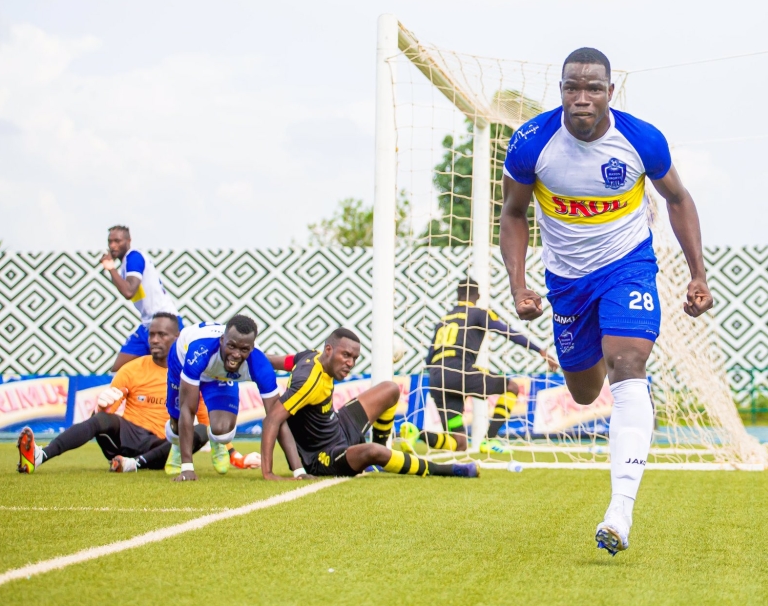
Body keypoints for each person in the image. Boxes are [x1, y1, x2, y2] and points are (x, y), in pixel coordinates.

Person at [499, 47, 713, 555]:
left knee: (628, 364)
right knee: (583, 388)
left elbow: (677, 199)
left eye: (592, 88)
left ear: (610, 92)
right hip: (567, 281)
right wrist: (518, 285)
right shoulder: (531, 143)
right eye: (572, 87)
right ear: (561, 92)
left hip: (627, 267)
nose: (581, 98)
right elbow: (512, 213)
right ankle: (587, 361)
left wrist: (697, 274)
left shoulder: (641, 139)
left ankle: (620, 511)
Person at [260, 328, 478, 480]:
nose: (350, 363)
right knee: (371, 451)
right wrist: (274, 472)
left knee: (390, 389)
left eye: (354, 358)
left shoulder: (309, 357)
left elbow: (276, 361)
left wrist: (251, 356)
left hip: (339, 426)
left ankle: (383, 449)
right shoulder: (308, 382)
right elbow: (272, 420)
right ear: (329, 350)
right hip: (323, 455)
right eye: (346, 355)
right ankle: (447, 470)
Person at [16, 313, 208, 473]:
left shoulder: (189, 374)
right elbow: (104, 413)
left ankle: (133, 464)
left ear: (177, 337)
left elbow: (206, 422)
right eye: (151, 335)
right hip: (127, 437)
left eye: (162, 335)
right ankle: (40, 455)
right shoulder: (131, 369)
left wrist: (228, 451)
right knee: (101, 419)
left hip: (161, 447)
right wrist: (100, 408)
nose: (154, 340)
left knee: (201, 430)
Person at [396, 276, 557, 455]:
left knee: (459, 444)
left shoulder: (443, 320)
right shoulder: (478, 313)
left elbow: (429, 358)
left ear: (458, 295)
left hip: (437, 378)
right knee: (511, 387)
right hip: (460, 372)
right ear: (477, 295)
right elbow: (506, 331)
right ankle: (489, 440)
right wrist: (540, 351)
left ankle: (416, 433)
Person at [167, 315, 302, 482]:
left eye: (244, 349)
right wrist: (187, 468)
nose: (236, 355)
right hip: (182, 361)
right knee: (175, 427)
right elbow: (188, 409)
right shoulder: (199, 351)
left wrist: (299, 471)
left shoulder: (260, 365)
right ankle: (179, 447)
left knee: (223, 433)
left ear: (252, 348)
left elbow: (276, 418)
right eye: (231, 346)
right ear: (222, 340)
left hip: (219, 376)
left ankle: (216, 441)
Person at [100, 225, 180, 374]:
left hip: (165, 321)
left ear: (128, 241)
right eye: (110, 242)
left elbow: (129, 291)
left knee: (174, 368)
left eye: (117, 241)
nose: (113, 246)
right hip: (148, 324)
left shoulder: (134, 257)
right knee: (118, 371)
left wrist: (110, 268)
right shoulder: (126, 264)